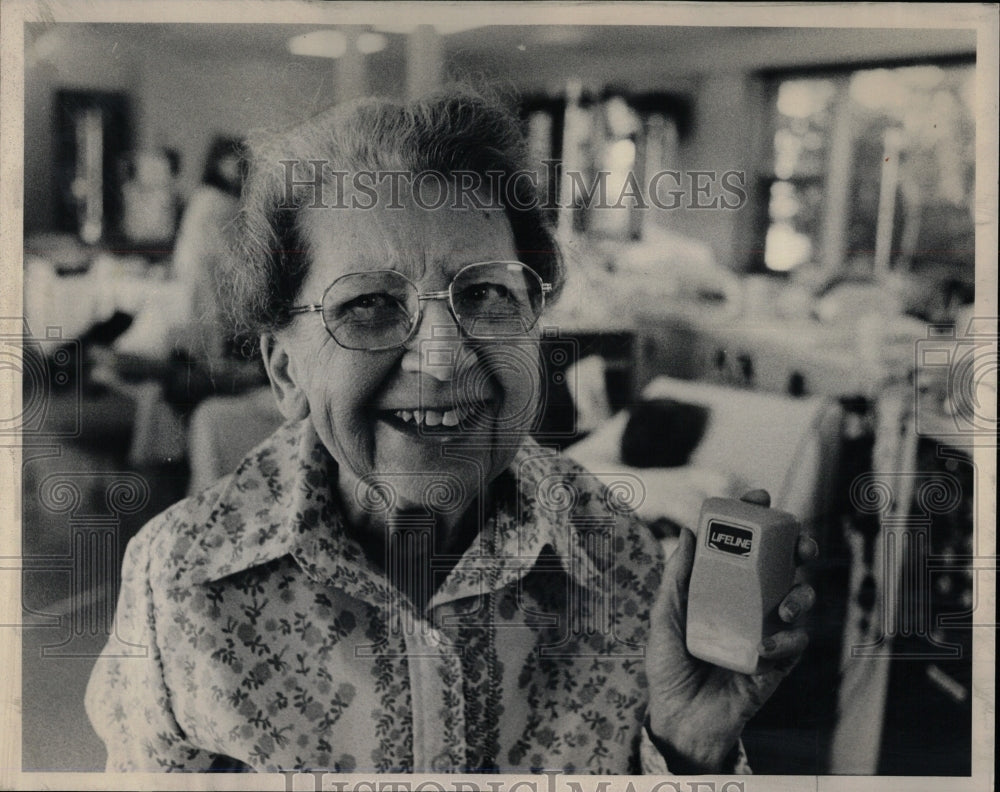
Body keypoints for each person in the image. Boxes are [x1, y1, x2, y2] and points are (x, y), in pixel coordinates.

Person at [85, 88, 816, 774]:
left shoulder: (621, 561)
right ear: (285, 372)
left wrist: (685, 749)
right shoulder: (180, 582)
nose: (443, 359)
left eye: (488, 294)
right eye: (369, 303)